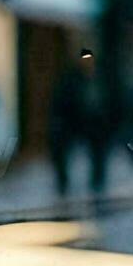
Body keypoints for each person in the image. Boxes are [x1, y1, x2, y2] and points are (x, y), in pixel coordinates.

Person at [49, 50, 112, 198]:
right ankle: (63, 182)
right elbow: (61, 100)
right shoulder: (71, 79)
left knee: (99, 148)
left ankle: (98, 182)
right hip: (74, 120)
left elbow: (110, 102)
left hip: (95, 122)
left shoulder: (101, 79)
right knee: (60, 146)